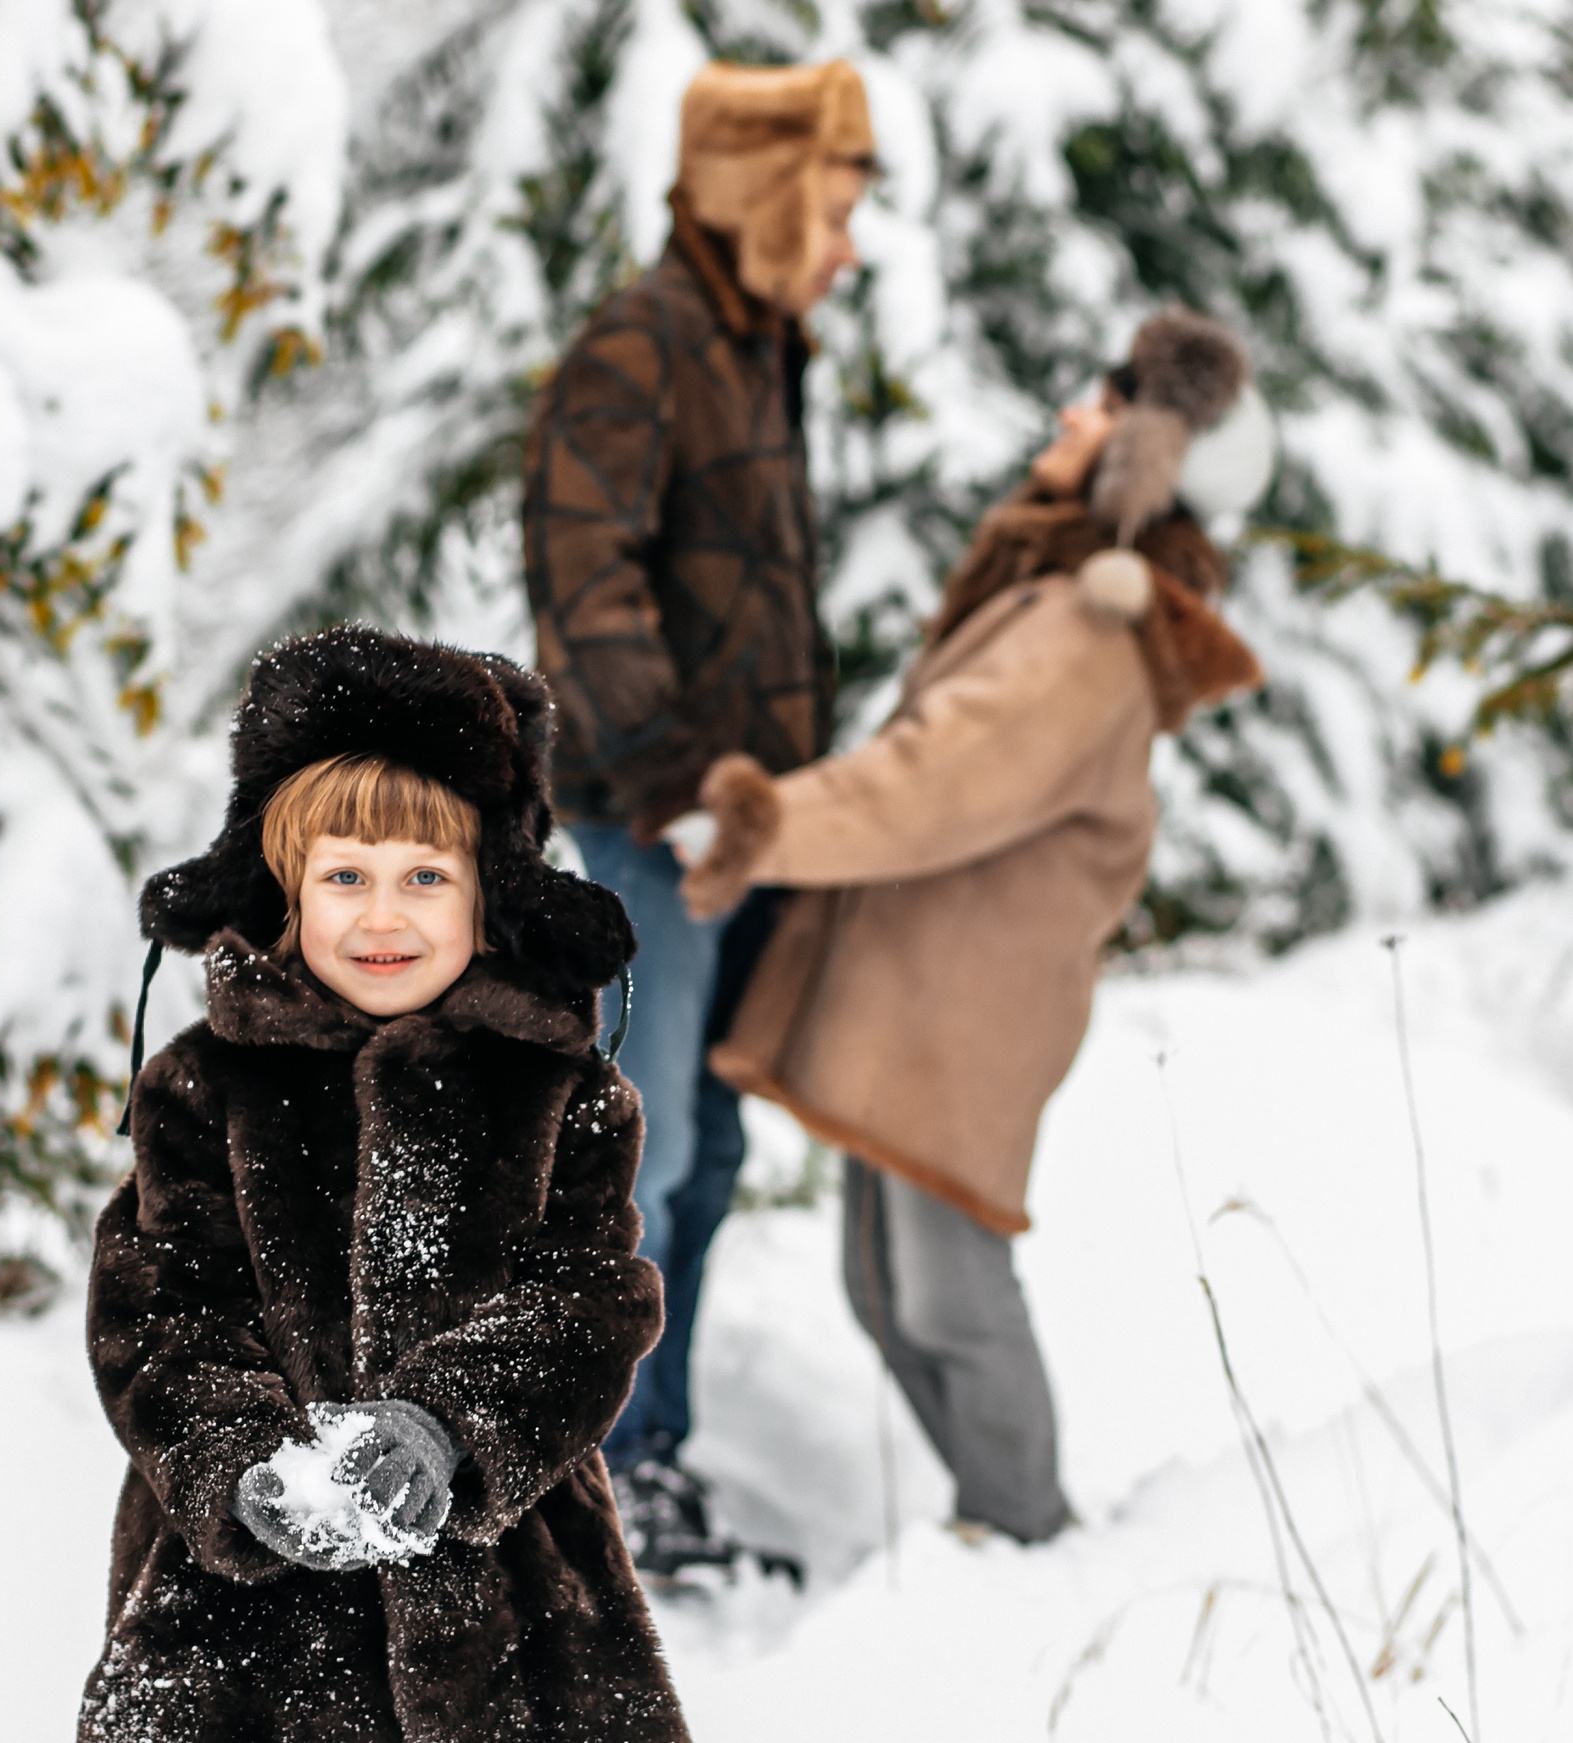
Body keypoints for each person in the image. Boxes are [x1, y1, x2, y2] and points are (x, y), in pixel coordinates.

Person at [677, 309, 1278, 1544]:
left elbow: (932, 779)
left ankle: (1029, 1540)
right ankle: (1005, 1534)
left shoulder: (1087, 632)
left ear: (1151, 455)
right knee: (886, 1291)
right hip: (923, 1001)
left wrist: (764, 827)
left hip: (966, 1014)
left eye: (1107, 403)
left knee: (944, 1294)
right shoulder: (1056, 597)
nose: (1071, 412)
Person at [79, 626, 687, 1743]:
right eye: (344, 876)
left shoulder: (566, 1096)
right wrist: (242, 1469)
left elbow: (586, 1304)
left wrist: (446, 1425)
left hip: (509, 1611)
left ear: (489, 894)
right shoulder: (202, 1090)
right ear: (284, 888)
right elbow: (159, 1314)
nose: (383, 915)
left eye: (425, 877)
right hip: (243, 1630)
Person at [521, 57, 874, 1569]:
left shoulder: (758, 346)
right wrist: (670, 777)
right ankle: (585, 1484)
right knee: (638, 1162)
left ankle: (646, 1457)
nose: (852, 242)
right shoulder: (643, 344)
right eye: (838, 203)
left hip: (744, 841)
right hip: (652, 831)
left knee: (708, 1154)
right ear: (765, 193)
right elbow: (581, 574)